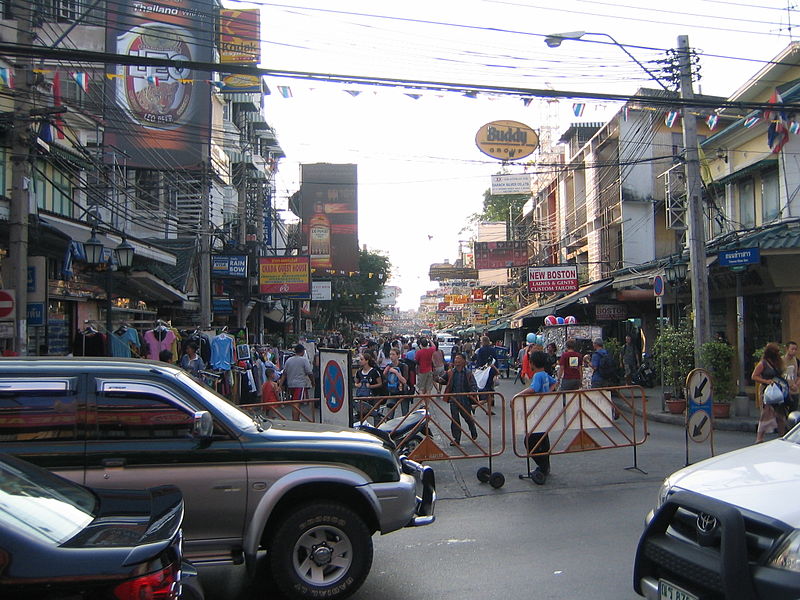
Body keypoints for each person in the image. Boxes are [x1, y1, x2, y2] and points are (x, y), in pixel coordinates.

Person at [517, 350, 558, 484]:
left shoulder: (538, 376)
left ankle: (542, 465)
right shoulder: (545, 374)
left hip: (539, 412)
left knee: (530, 441)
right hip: (544, 410)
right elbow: (554, 383)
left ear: (532, 363)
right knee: (543, 439)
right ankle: (545, 466)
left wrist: (517, 396)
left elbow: (533, 389)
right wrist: (547, 393)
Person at [753, 342, 788, 443]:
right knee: (766, 413)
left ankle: (782, 435)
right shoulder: (763, 363)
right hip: (767, 391)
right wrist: (766, 381)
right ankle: (759, 438)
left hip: (778, 390)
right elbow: (754, 376)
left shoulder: (778, 362)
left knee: (780, 414)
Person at [444, 353, 478, 445]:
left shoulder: (468, 373)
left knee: (467, 418)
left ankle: (473, 431)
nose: (456, 361)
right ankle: (456, 439)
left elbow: (474, 385)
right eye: (455, 359)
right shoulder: (451, 372)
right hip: (454, 399)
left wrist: (472, 392)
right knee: (455, 419)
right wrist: (436, 377)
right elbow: (443, 380)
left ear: (463, 361)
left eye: (459, 359)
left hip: (465, 399)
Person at [279, 344, 313, 420]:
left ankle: (296, 418)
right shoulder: (304, 360)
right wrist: (313, 382)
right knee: (296, 403)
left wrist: (280, 385)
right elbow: (309, 373)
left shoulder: (289, 360)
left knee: (294, 402)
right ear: (302, 352)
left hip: (290, 384)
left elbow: (284, 374)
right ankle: (295, 420)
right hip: (299, 385)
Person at [383, 348, 409, 415]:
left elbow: (404, 381)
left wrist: (396, 373)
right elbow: (385, 379)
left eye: (393, 354)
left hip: (403, 392)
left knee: (405, 413)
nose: (391, 356)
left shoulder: (404, 366)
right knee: (389, 413)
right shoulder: (389, 366)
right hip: (392, 391)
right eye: (390, 354)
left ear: (398, 355)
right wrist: (385, 373)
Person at [784, 341, 799, 412]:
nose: (794, 351)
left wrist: (796, 385)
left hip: (794, 391)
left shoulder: (797, 361)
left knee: (793, 411)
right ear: (787, 349)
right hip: (784, 390)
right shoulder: (781, 360)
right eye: (792, 349)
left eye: (795, 349)